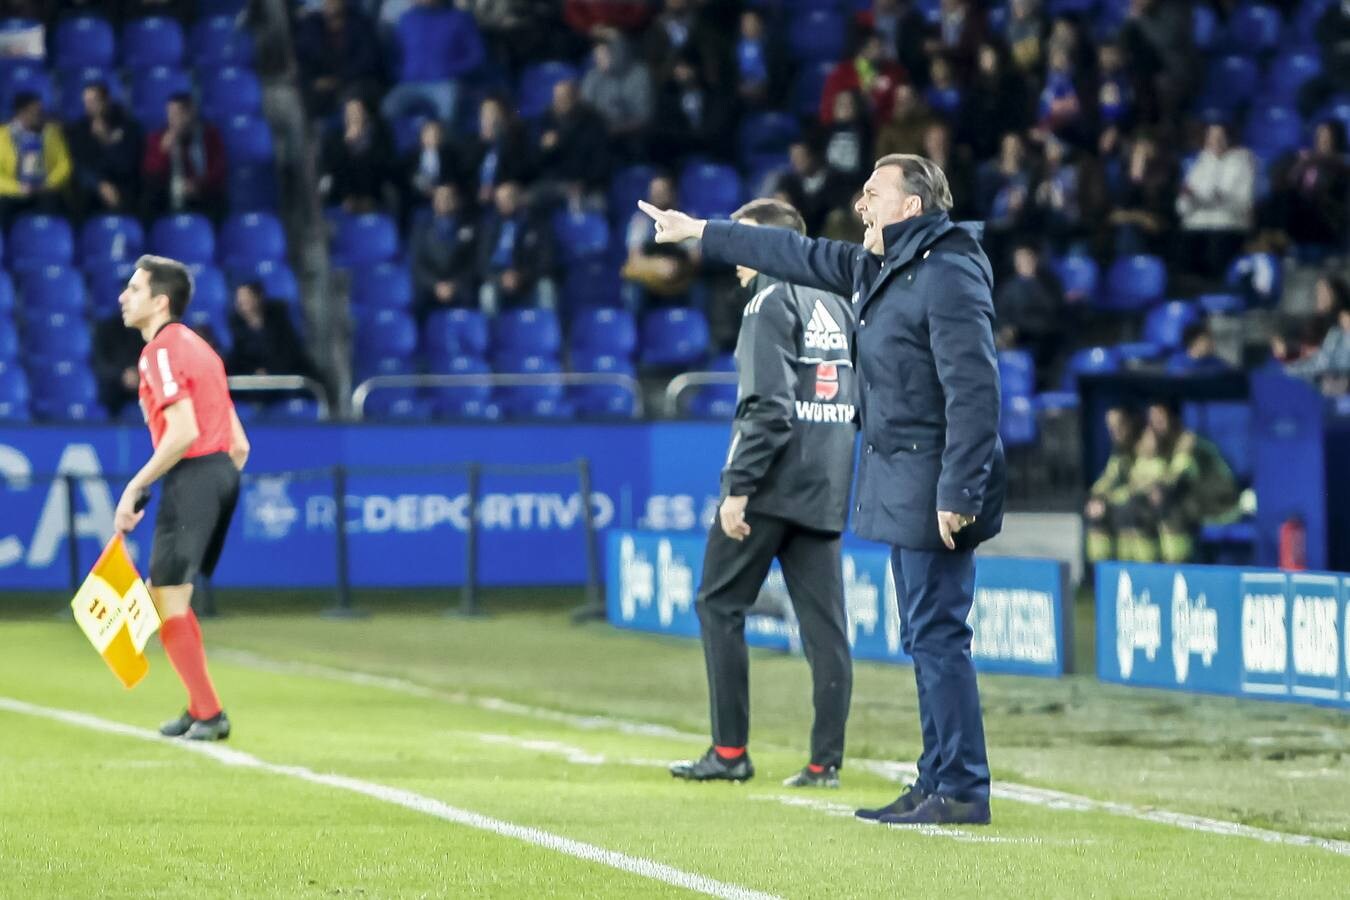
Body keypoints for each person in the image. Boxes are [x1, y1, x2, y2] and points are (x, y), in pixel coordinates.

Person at [641, 152, 1005, 826]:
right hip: (902, 477)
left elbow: (975, 390)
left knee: (939, 635)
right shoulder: (881, 267)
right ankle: (938, 778)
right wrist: (699, 230)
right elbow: (792, 250)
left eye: (873, 194)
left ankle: (960, 786)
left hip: (934, 484)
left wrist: (960, 488)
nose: (860, 205)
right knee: (924, 635)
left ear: (910, 207)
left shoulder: (949, 270)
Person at [667, 198, 856, 788]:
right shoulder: (840, 303)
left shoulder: (771, 301)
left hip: (771, 486)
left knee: (718, 605)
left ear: (772, 244)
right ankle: (825, 762)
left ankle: (729, 753)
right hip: (826, 483)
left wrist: (737, 488)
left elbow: (768, 409)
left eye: (743, 242)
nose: (734, 257)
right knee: (825, 630)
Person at [114, 255, 250, 742]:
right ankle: (200, 708)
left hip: (192, 472)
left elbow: (184, 430)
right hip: (218, 474)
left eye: (133, 289)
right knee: (167, 594)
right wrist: (213, 487)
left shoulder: (160, 351)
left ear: (159, 301)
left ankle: (210, 713)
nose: (123, 297)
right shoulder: (202, 349)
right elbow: (239, 444)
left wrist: (137, 485)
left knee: (167, 598)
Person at [1128, 401, 1239, 562]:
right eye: (1152, 421)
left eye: (1160, 420)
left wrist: (1157, 486)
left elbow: (1178, 477)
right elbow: (1138, 482)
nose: (1155, 426)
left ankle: (1177, 565)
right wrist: (1146, 456)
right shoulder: (1157, 446)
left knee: (1169, 502)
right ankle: (1143, 570)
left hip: (1219, 500)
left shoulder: (1191, 443)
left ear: (1174, 420)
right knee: (1137, 506)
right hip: (1191, 500)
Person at [141, 94, 225, 222]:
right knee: (149, 201)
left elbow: (219, 169)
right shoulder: (157, 138)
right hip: (169, 197)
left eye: (178, 114)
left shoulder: (209, 136)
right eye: (170, 113)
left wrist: (198, 184)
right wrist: (163, 152)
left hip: (203, 194)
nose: (173, 119)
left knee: (219, 201)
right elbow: (151, 174)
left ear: (191, 114)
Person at [67, 82, 141, 218]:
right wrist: (100, 185)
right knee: (78, 194)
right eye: (86, 102)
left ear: (107, 101)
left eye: (94, 101)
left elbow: (128, 165)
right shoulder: (79, 129)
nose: (90, 107)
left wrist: (106, 141)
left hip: (122, 182)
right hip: (93, 185)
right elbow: (80, 165)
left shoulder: (128, 126)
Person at [0, 92, 72, 225]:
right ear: (22, 113)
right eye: (36, 112)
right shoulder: (2, 136)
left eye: (41, 111)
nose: (40, 115)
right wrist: (18, 188)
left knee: (54, 203)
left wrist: (48, 184)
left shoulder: (52, 132)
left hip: (45, 190)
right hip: (15, 191)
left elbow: (64, 164)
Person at [1084, 406, 1144, 563]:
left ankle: (1132, 569)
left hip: (1142, 506)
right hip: (1121, 503)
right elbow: (1108, 478)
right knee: (1095, 513)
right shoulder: (1119, 452)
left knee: (1128, 510)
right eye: (1110, 427)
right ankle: (1098, 573)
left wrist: (1108, 499)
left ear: (1131, 423)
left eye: (1119, 425)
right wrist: (1096, 497)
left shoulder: (1145, 447)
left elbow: (1139, 485)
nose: (1114, 431)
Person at [225, 282, 318, 380]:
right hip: (252, 385)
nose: (243, 306)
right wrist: (253, 372)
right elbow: (237, 361)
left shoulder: (279, 320)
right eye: (240, 302)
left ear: (257, 298)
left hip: (284, 378)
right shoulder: (236, 328)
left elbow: (289, 354)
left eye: (246, 301)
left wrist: (269, 371)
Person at [411, 182, 479, 313]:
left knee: (470, 296)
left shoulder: (471, 227)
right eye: (440, 197)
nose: (444, 201)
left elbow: (473, 263)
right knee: (416, 298)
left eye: (449, 197)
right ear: (434, 201)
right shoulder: (421, 229)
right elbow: (417, 265)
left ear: (458, 201)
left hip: (459, 286)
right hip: (431, 287)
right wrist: (436, 285)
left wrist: (454, 285)